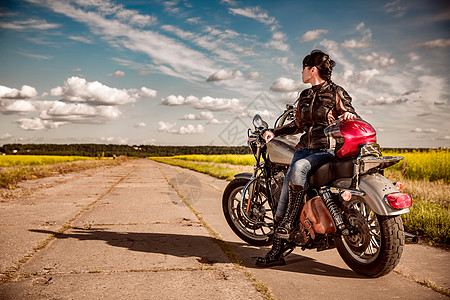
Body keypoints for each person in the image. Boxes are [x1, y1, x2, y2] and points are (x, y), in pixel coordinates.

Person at [255, 50, 358, 267]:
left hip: (326, 151)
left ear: (312, 70)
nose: (301, 72)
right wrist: (275, 131)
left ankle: (287, 224)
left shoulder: (336, 92)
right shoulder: (305, 96)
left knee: (299, 168)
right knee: (285, 190)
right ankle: (278, 246)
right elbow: (298, 125)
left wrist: (349, 115)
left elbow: (350, 115)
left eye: (303, 67)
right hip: (303, 150)